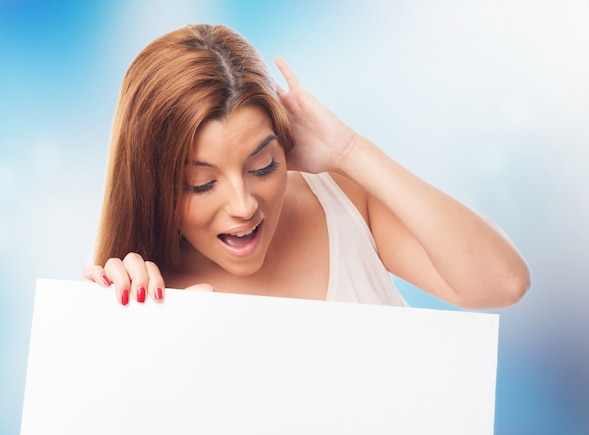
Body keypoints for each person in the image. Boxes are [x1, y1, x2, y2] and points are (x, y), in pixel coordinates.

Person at [83, 23, 530, 309]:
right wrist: (122, 328)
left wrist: (351, 152)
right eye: (201, 185)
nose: (243, 206)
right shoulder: (150, 292)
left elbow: (503, 282)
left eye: (263, 166)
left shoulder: (342, 203)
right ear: (150, 185)